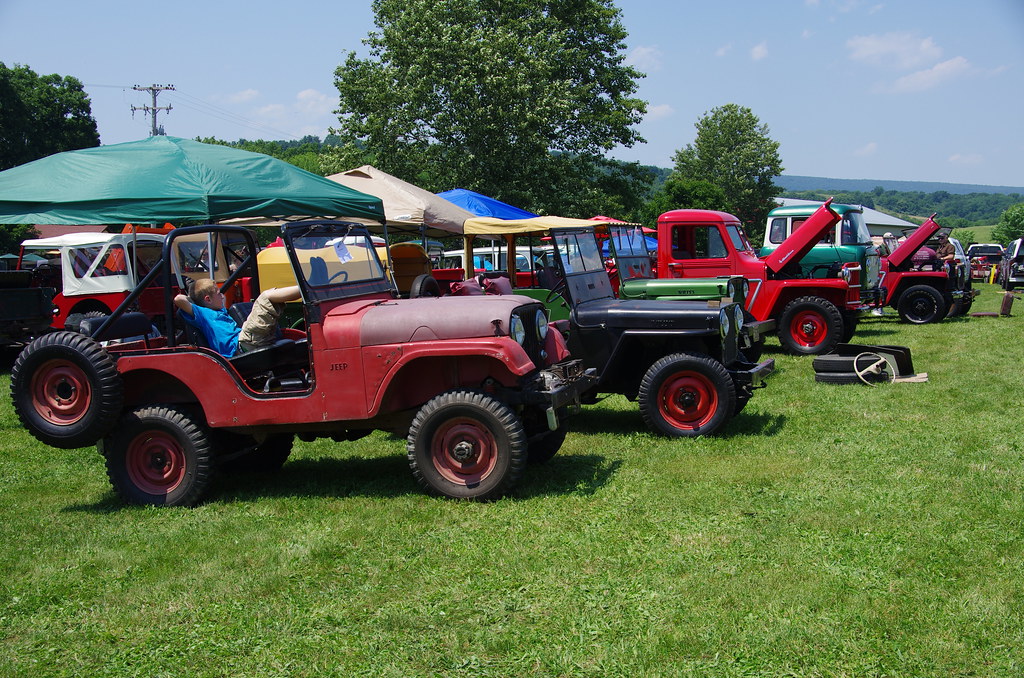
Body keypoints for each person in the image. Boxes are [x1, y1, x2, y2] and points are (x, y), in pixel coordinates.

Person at [174, 279, 301, 357]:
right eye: (218, 294)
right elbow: (178, 299)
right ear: (208, 299)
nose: (222, 296)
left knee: (274, 303)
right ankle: (306, 288)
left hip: (249, 341)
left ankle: (308, 289)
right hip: (241, 345)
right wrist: (192, 299)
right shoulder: (202, 313)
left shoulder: (221, 311)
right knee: (266, 297)